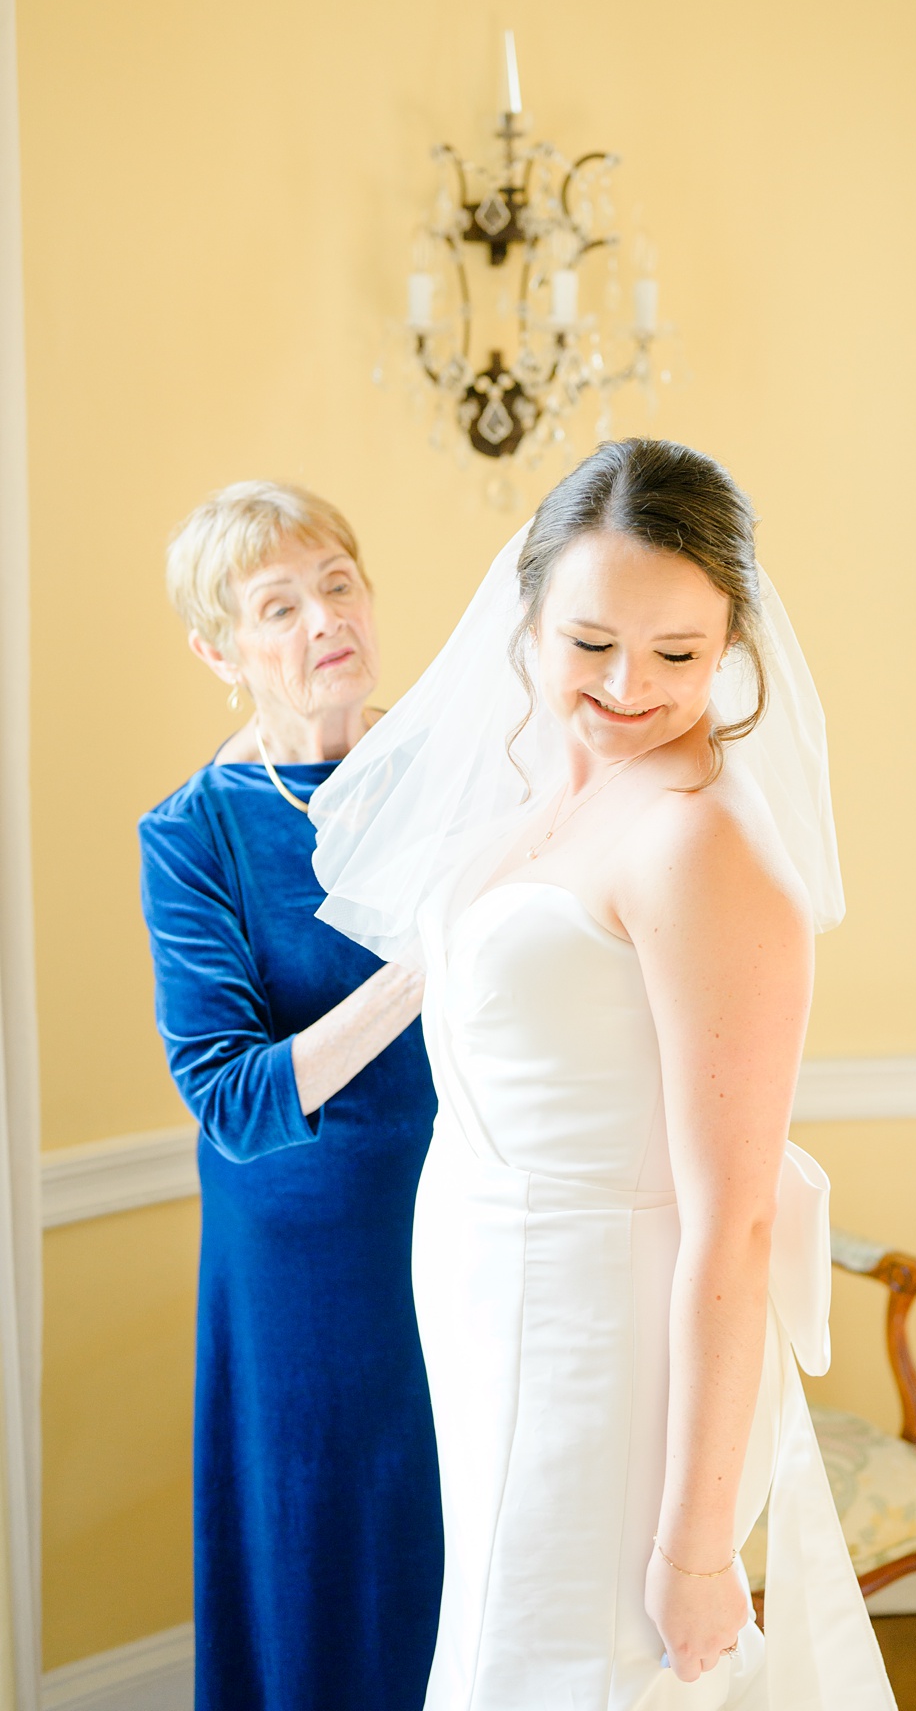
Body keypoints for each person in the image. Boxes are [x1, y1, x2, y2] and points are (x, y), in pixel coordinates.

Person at [309, 439, 892, 1708]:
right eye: (590, 644)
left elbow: (734, 1223)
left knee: (583, 1667)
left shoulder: (703, 846)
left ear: (733, 640)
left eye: (678, 654)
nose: (630, 685)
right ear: (528, 619)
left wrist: (692, 1547)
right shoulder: (545, 787)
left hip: (608, 1347)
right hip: (489, 1317)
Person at [136, 482, 440, 1711]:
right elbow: (233, 1097)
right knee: (319, 1555)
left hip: (465, 1222)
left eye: (338, 583)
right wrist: (423, 975)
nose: (325, 618)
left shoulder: (446, 781)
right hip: (303, 1272)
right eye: (279, 604)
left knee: (456, 1545)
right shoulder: (191, 834)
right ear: (220, 650)